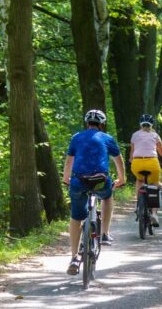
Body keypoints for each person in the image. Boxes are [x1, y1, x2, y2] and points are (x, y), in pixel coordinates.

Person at [63, 109, 126, 275]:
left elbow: (69, 162)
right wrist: (121, 179)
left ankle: (74, 258)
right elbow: (118, 161)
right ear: (102, 124)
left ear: (86, 123)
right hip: (100, 182)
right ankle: (104, 233)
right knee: (107, 196)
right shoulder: (107, 138)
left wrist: (66, 179)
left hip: (79, 182)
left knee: (76, 217)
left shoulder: (76, 137)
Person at [129, 114, 162, 227]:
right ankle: (154, 214)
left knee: (139, 180)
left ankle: (138, 205)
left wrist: (130, 161)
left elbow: (132, 152)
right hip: (152, 163)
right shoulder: (155, 135)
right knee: (154, 185)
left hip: (137, 163)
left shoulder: (134, 135)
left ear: (140, 123)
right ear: (152, 124)